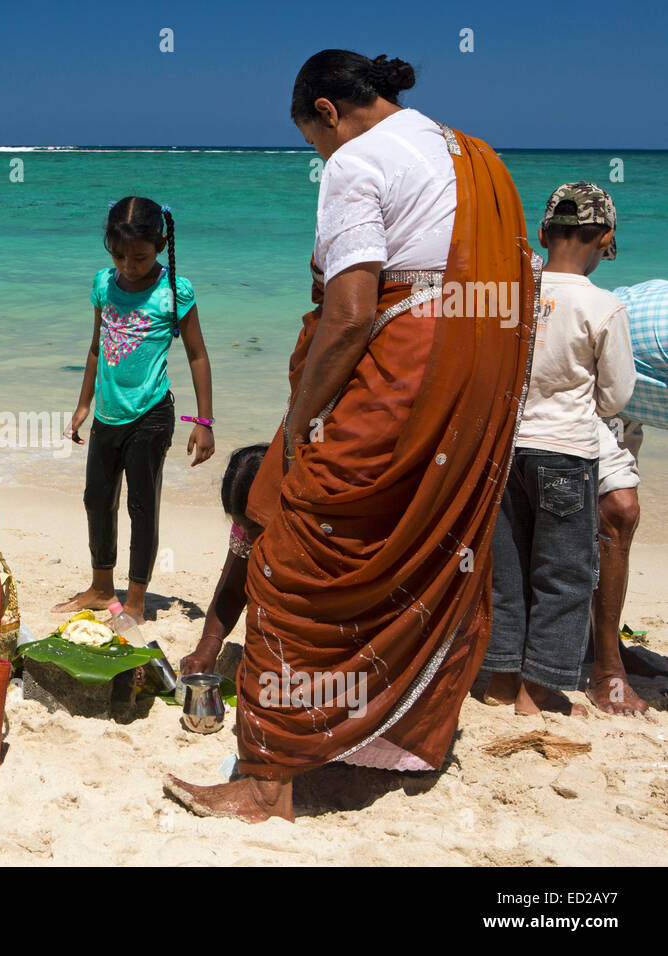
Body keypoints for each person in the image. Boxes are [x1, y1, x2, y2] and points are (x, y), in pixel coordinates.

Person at [165, 51, 537, 822]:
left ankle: (267, 782)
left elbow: (352, 311)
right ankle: (400, 743)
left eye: (313, 140)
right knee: (431, 546)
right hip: (469, 388)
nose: (320, 157)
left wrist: (300, 420)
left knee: (291, 556)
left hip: (402, 379)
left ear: (328, 112)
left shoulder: (356, 161)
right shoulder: (479, 158)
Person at [482, 184, 633, 716]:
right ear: (606, 239)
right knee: (563, 576)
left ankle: (499, 682)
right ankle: (535, 692)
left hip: (504, 452)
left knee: (506, 570)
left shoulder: (511, 295)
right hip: (566, 454)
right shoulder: (604, 306)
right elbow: (614, 396)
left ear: (543, 234)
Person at [54, 196, 215, 622]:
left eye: (139, 256)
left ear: (160, 244)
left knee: (142, 506)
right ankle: (101, 586)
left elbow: (197, 355)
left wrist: (204, 421)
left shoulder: (175, 291)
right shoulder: (104, 285)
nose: (129, 264)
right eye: (119, 254)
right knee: (96, 499)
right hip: (108, 413)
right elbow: (95, 348)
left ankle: (138, 600)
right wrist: (82, 403)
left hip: (151, 413)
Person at [586, 278, 668, 714]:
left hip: (627, 398)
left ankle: (599, 638)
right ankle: (607, 673)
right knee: (618, 510)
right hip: (581, 367)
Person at [179, 444, 267, 676]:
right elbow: (232, 590)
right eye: (240, 525)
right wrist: (208, 645)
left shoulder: (313, 528)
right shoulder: (247, 527)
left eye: (255, 528)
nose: (247, 536)